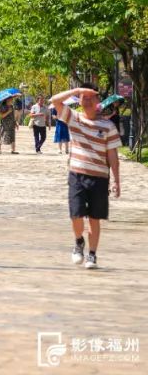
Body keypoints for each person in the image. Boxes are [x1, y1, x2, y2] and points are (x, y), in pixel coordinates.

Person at [49, 85, 121, 269]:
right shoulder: (73, 118)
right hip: (77, 175)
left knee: (95, 219)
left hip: (99, 177)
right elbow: (54, 100)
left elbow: (112, 155)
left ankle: (92, 255)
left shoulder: (108, 126)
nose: (87, 101)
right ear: (79, 101)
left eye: (91, 98)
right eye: (84, 98)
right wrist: (75, 91)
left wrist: (116, 181)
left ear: (98, 101)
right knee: (76, 215)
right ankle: (79, 241)